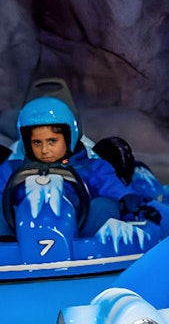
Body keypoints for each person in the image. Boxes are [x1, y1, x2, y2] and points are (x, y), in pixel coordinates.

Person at [0, 96, 145, 236]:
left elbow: (110, 186)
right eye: (37, 143)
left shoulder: (91, 167)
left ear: (69, 138)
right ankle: (4, 245)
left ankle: (100, 246)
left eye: (52, 141)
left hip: (80, 235)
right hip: (20, 234)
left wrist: (126, 197)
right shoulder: (13, 169)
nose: (44, 150)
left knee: (104, 205)